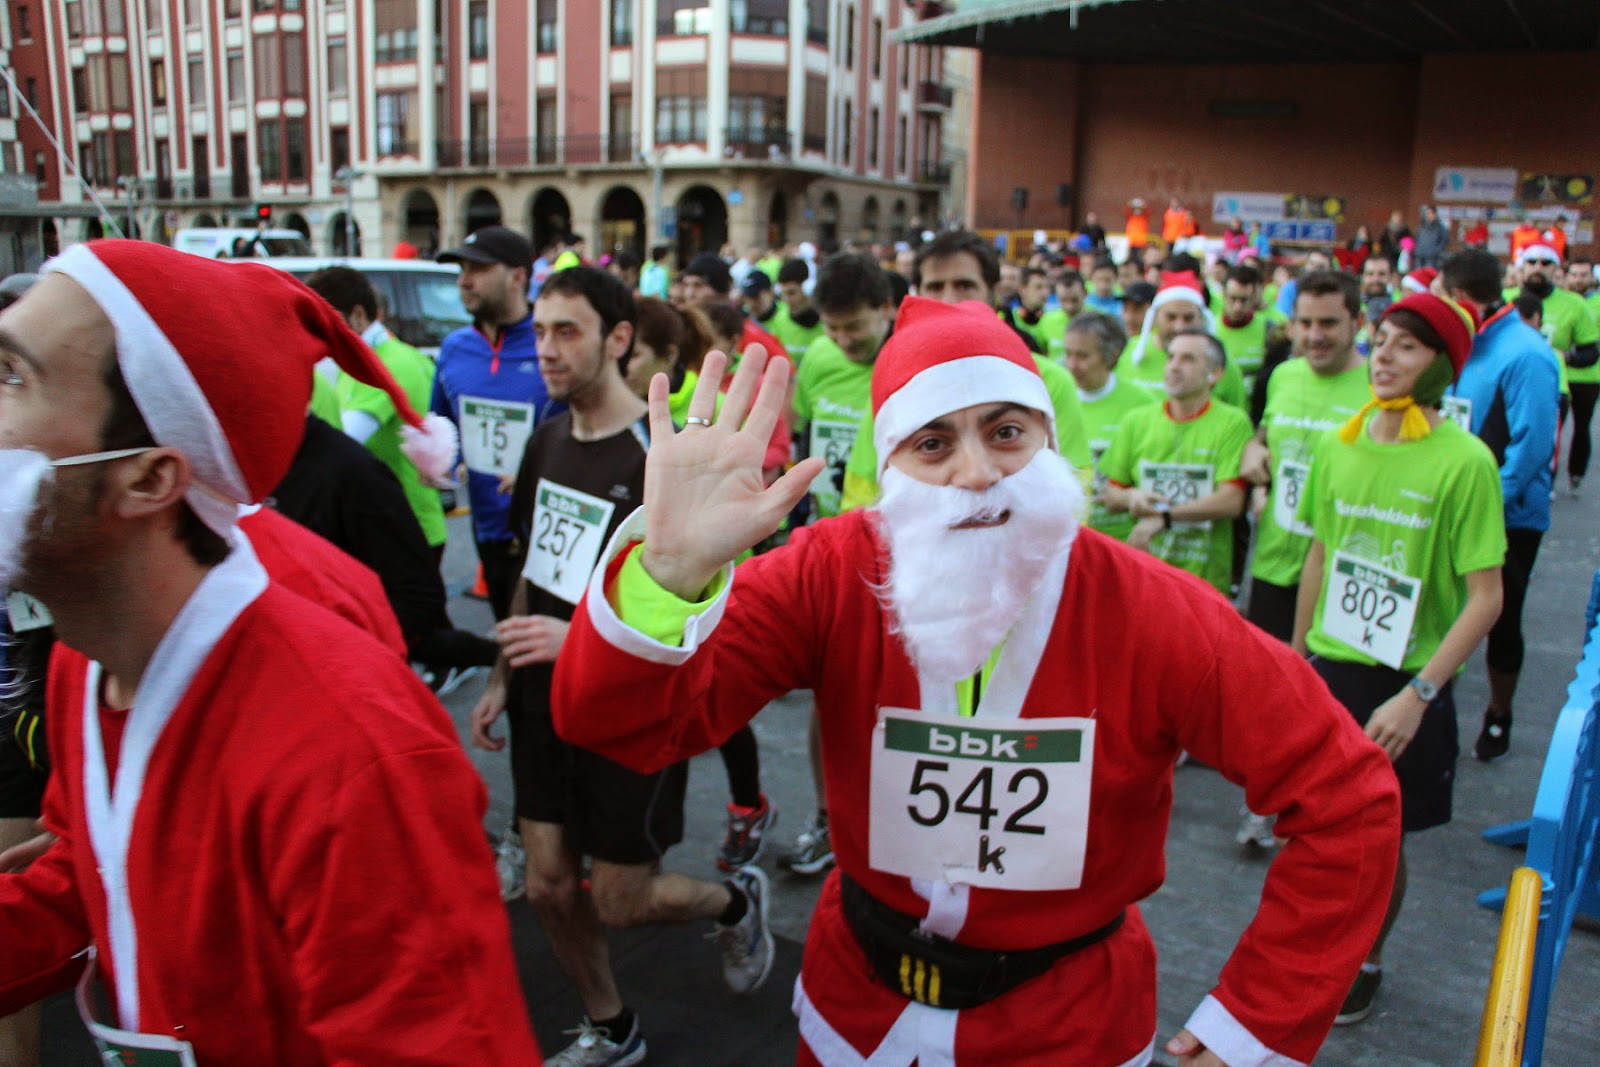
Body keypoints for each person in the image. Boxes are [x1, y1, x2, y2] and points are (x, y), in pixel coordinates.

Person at [550, 296, 1400, 1067]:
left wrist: (1251, 1030)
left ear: (1047, 439)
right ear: (890, 469)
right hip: (858, 1014)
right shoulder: (832, 574)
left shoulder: (1156, 611)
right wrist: (667, 577)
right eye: (933, 442)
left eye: (1005, 431)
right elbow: (621, 726)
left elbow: (1347, 796)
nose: (977, 473)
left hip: (1068, 1029)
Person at [0, 240, 539, 1063]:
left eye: (14, 375)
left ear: (148, 479)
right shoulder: (87, 657)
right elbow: (93, 870)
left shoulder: (353, 756)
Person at [468, 267, 771, 1065]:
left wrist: (590, 643)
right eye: (538, 332)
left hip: (629, 710)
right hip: (540, 701)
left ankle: (737, 899)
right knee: (546, 884)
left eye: (567, 331)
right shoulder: (544, 439)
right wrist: (503, 674)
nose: (547, 350)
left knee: (626, 900)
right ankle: (612, 1027)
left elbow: (712, 617)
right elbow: (534, 565)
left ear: (619, 338)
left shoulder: (661, 454)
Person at [1293, 291, 1505, 1025]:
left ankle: (1367, 958)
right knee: (1319, 827)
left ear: (1441, 366)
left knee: (1381, 837)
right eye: (1380, 340)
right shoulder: (1338, 442)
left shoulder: (1465, 461)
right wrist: (1295, 661)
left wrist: (1420, 692)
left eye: (1406, 346)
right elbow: (1320, 552)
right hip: (1331, 667)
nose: (1383, 356)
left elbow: (1486, 597)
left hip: (1405, 680)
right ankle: (1314, 946)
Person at [1437, 249, 1562, 762]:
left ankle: (1499, 712)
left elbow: (1533, 450)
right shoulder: (1454, 342)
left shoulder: (1526, 353)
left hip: (1508, 515)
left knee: (1501, 617)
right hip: (1449, 504)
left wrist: (1481, 504)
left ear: (1458, 294)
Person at [432, 224, 556, 621]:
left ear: (518, 276)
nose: (464, 281)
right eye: (461, 270)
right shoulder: (454, 348)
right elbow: (442, 426)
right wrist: (441, 465)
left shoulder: (552, 341)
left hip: (549, 532)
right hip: (487, 527)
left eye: (478, 269)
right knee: (509, 636)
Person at [304, 267, 448, 554]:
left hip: (402, 527)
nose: (318, 333)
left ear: (358, 315)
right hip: (397, 521)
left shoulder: (384, 363)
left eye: (324, 321)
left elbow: (341, 442)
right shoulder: (377, 354)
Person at [1101, 329, 1252, 593]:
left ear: (1214, 374)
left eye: (1188, 359)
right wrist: (1131, 497)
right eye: (1170, 357)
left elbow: (1231, 501)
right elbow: (1111, 495)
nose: (1173, 366)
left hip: (1204, 581)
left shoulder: (1232, 422)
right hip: (1145, 574)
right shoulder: (1136, 421)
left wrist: (1166, 517)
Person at [1512, 244, 1600, 494]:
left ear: (1556, 270)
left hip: (1558, 384)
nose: (1538, 267)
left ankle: (1563, 477)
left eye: (1546, 263)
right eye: (1531, 262)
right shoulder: (1504, 299)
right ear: (1521, 266)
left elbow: (1590, 351)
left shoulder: (1574, 304)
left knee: (1562, 433)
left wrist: (1565, 356)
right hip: (1511, 382)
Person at [1063, 311, 1154, 541]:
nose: (1072, 365)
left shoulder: (1142, 404)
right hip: (1068, 536)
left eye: (1082, 356)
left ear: (1111, 356)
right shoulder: (1056, 398)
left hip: (1121, 538)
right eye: (1068, 354)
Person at [1119, 275, 1246, 409]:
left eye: (1188, 318)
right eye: (1171, 317)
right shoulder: (1126, 352)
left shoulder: (1221, 361)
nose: (1179, 327)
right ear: (1155, 317)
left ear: (1201, 319)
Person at [1215, 264, 1287, 398]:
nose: (1238, 307)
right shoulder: (1211, 328)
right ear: (1223, 295)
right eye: (1233, 298)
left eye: (1244, 300)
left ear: (1253, 298)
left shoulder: (1269, 329)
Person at [772, 257, 827, 362]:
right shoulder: (779, 321)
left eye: (792, 293)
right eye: (783, 294)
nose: (786, 300)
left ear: (809, 288)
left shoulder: (828, 321)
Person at [1414, 205, 1449, 269]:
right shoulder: (1421, 227)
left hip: (1432, 258)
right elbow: (1417, 239)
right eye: (1427, 214)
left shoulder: (1440, 228)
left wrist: (1435, 251)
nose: (1428, 215)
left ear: (1435, 214)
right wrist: (1417, 250)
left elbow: (1444, 241)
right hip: (1420, 256)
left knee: (1428, 275)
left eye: (1430, 213)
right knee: (1418, 274)